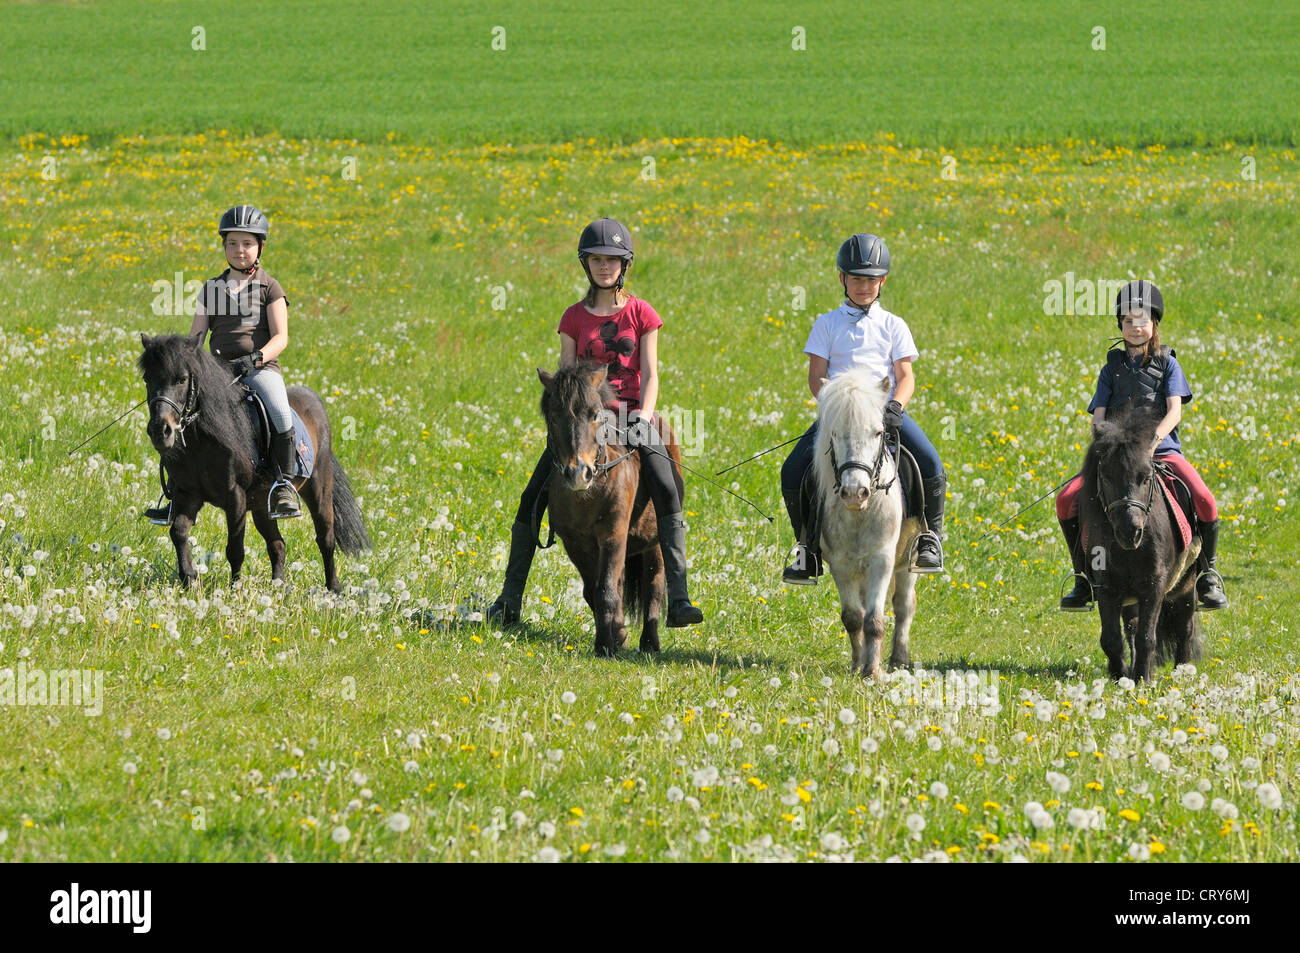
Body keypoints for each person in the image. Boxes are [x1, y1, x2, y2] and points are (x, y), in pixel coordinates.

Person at [487, 218, 704, 627]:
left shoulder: (642, 313)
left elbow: (652, 373)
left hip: (633, 415)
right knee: (530, 498)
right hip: (584, 424)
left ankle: (679, 597)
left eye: (613, 260)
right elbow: (566, 382)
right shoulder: (572, 317)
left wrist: (643, 415)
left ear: (626, 265)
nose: (605, 267)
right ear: (586, 265)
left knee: (667, 488)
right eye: (597, 260)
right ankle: (509, 600)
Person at [780, 234, 946, 584]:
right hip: (839, 418)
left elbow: (905, 376)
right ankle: (806, 548)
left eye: (871, 279)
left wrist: (896, 406)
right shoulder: (826, 324)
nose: (863, 286)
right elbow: (816, 378)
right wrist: (831, 408)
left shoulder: (893, 325)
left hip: (882, 415)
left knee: (929, 462)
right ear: (842, 278)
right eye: (856, 278)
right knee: (792, 470)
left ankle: (930, 539)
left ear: (882, 281)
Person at [1056, 279, 1227, 611]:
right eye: (1129, 321)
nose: (1136, 327)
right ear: (1120, 325)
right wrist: (1106, 443)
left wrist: (1152, 443)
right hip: (1119, 457)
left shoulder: (1168, 365)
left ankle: (1208, 575)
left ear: (1154, 324)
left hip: (1161, 451)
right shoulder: (1111, 369)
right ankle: (1083, 577)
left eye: (1142, 320)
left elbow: (1175, 410)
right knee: (1065, 501)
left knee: (1205, 500)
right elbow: (1099, 417)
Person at [144, 205, 299, 522]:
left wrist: (254, 358)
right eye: (232, 243)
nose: (239, 250)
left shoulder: (271, 288)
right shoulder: (211, 288)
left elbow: (281, 337)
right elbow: (196, 337)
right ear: (224, 246)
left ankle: (283, 485)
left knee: (281, 412)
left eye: (246, 243)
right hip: (216, 373)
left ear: (259, 247)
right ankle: (176, 491)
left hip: (258, 369)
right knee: (182, 414)